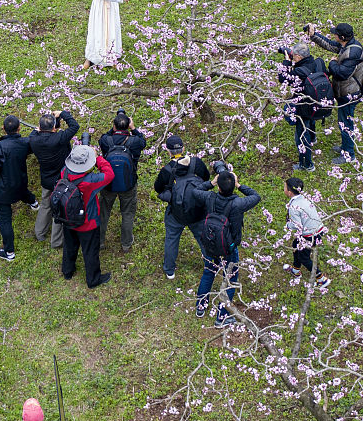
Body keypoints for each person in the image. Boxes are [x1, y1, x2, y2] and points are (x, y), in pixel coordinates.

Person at [185, 169, 261, 327]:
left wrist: (211, 183)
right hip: (229, 247)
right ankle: (222, 316)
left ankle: (201, 307)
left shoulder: (209, 197)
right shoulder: (238, 204)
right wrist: (239, 185)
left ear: (218, 187)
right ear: (233, 187)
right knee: (231, 278)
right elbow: (256, 197)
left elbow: (195, 191)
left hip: (210, 243)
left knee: (208, 272)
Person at [53, 144, 113, 288]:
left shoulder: (64, 172)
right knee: (90, 251)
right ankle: (93, 280)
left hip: (67, 219)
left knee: (69, 246)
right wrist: (97, 157)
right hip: (87, 222)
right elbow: (109, 174)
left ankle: (67, 271)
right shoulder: (90, 181)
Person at [308, 23, 363, 164]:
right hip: (345, 92)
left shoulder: (352, 53)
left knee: (346, 123)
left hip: (349, 94)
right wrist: (314, 36)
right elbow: (330, 45)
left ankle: (349, 154)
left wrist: (333, 63)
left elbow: (342, 73)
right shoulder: (347, 45)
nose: (333, 35)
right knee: (343, 121)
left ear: (341, 37)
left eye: (335, 34)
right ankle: (345, 147)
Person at [153, 135, 210, 279]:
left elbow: (158, 188)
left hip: (176, 212)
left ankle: (169, 270)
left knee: (172, 238)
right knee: (202, 237)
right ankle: (211, 263)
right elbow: (206, 178)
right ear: (183, 148)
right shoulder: (196, 162)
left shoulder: (166, 170)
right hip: (197, 209)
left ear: (168, 151)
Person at [0, 115, 36, 262]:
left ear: (3, 129)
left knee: (5, 221)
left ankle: (9, 252)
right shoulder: (25, 143)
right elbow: (31, 141)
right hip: (20, 183)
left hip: (3, 189)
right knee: (23, 193)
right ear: (19, 128)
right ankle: (34, 203)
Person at [29, 110, 80, 250]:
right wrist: (63, 113)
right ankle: (56, 242)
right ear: (54, 128)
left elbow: (34, 132)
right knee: (59, 209)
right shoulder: (59, 138)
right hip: (61, 180)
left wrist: (39, 129)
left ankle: (39, 233)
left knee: (45, 205)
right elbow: (75, 126)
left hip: (46, 178)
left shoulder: (33, 139)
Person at [97, 112, 146, 253]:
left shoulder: (106, 140)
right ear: (128, 126)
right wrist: (133, 128)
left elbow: (103, 138)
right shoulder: (135, 142)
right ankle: (126, 243)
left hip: (108, 183)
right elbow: (143, 141)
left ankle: (99, 241)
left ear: (113, 126)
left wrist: (113, 128)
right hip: (128, 184)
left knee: (103, 213)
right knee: (127, 213)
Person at [279, 42, 327, 172]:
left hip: (303, 106)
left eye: (294, 55)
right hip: (317, 103)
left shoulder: (299, 71)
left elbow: (283, 79)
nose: (292, 57)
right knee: (310, 121)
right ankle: (313, 138)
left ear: (299, 57)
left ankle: (306, 164)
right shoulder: (317, 63)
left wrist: (286, 62)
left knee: (301, 133)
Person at [283, 177, 330, 288]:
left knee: (304, 257)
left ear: (289, 192)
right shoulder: (305, 198)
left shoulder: (294, 207)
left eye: (284, 187)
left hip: (309, 235)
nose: (283, 189)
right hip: (318, 229)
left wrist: (288, 225)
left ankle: (321, 278)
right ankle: (295, 269)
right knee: (295, 245)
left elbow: (296, 225)